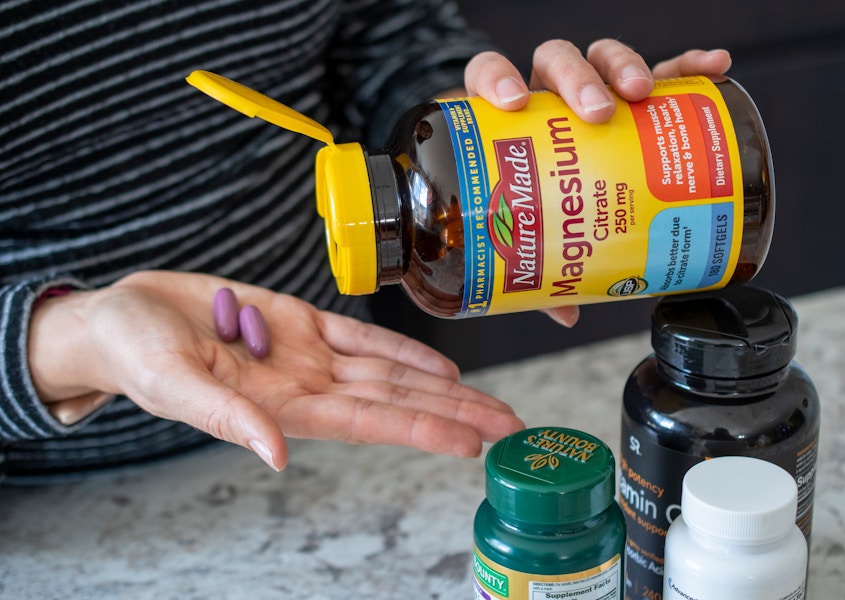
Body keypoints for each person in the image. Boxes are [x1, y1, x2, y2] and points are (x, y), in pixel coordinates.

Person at [0, 0, 731, 483]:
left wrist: (514, 136)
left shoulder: (431, 265)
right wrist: (69, 341)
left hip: (343, 416)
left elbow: (383, 30)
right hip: (63, 509)